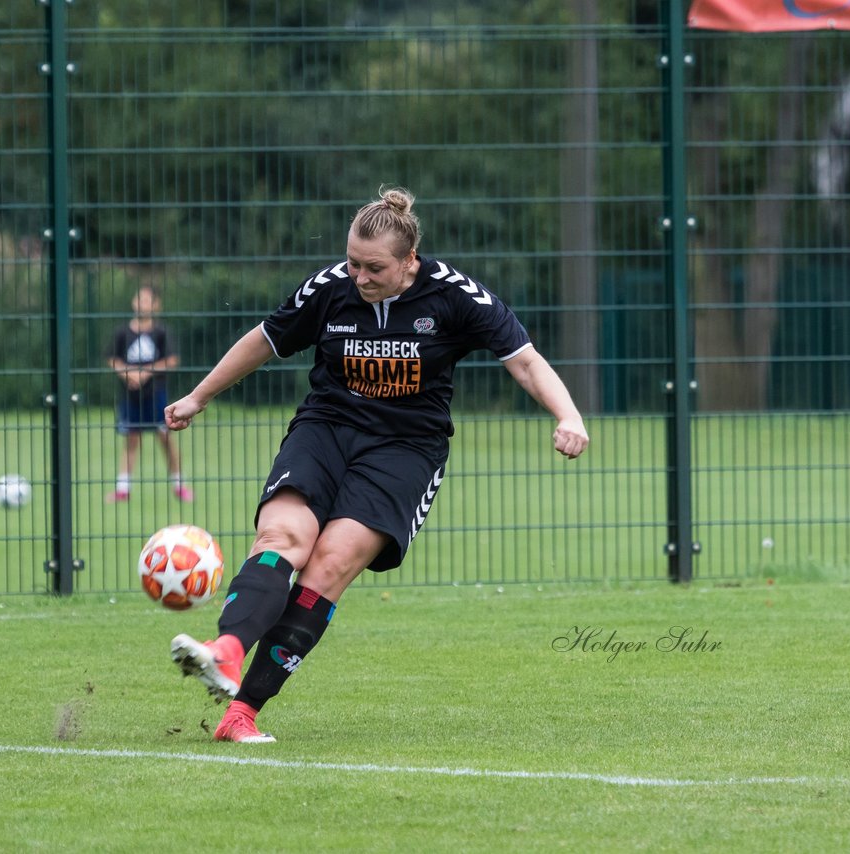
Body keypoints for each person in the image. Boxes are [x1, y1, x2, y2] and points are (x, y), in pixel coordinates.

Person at [165, 187, 589, 743]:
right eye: (352, 263)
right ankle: (226, 650)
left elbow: (525, 362)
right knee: (282, 534)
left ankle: (240, 712)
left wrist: (568, 415)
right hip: (325, 429)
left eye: (374, 268)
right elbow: (266, 340)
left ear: (410, 261)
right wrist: (198, 396)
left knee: (330, 564)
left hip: (405, 449)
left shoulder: (456, 297)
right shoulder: (330, 288)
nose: (359, 278)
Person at [106, 284, 193, 502]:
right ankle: (122, 489)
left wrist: (146, 372)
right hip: (129, 396)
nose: (142, 303)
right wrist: (128, 373)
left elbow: (172, 359)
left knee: (165, 438)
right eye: (139, 298)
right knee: (131, 439)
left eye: (147, 300)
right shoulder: (122, 332)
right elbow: (112, 358)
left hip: (156, 394)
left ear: (156, 305)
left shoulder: (161, 332)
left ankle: (179, 485)